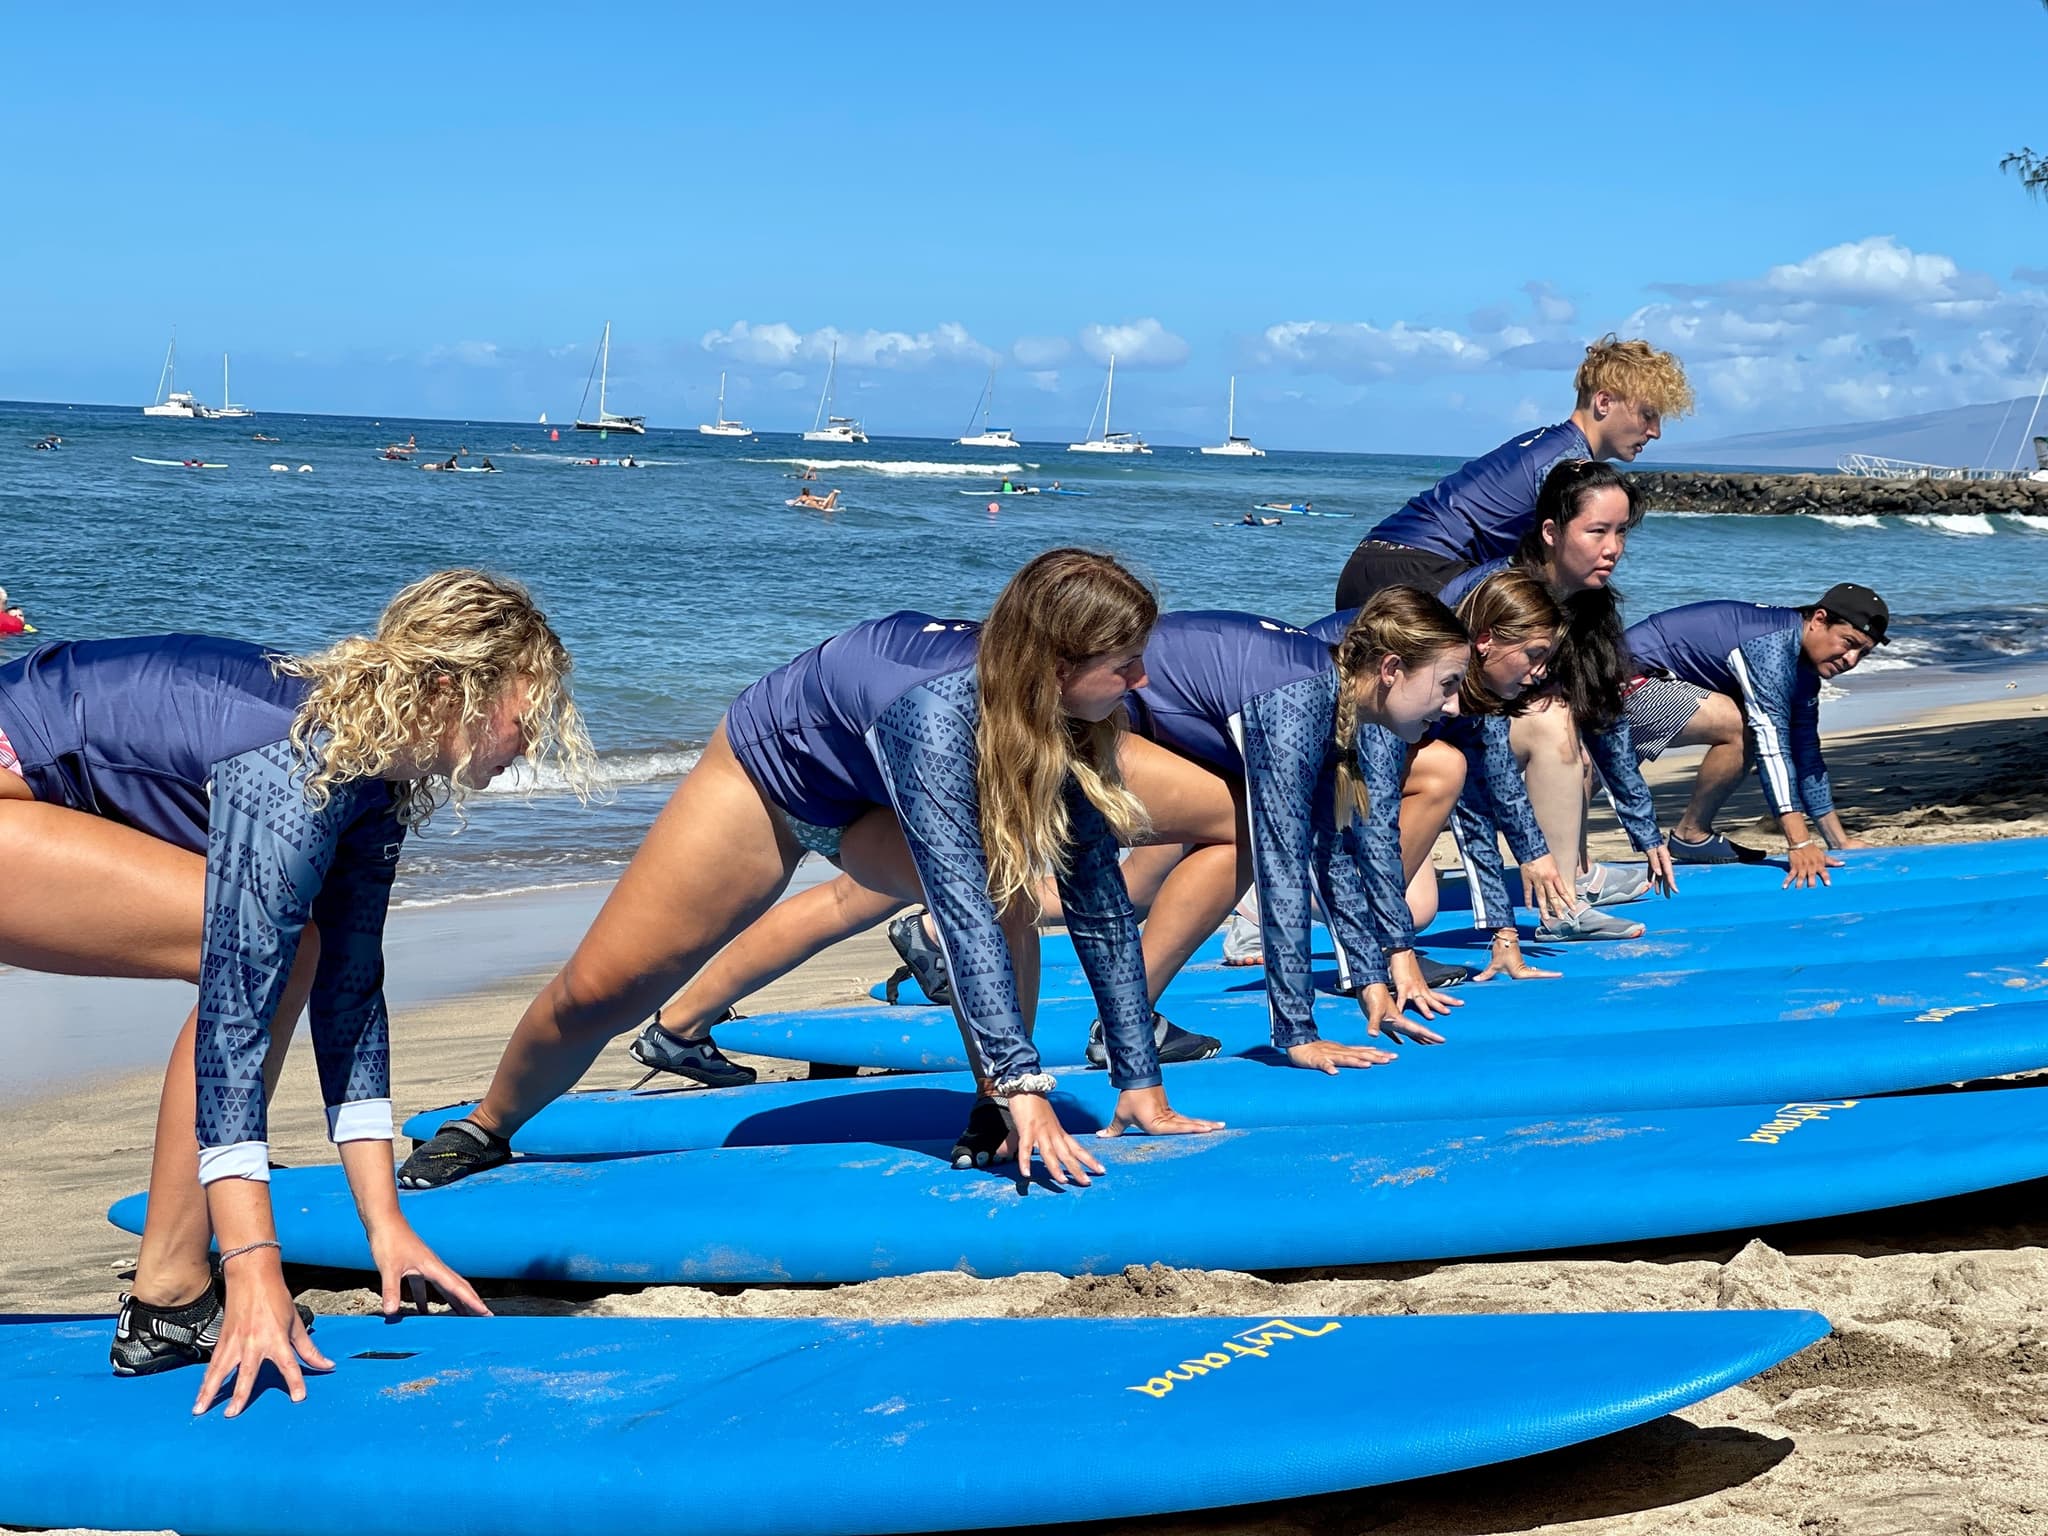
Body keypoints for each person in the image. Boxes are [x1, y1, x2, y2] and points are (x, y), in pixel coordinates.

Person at [399, 550, 1220, 1191]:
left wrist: (1138, 1082)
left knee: (1007, 890)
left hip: (873, 802)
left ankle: (989, 1105)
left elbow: (1099, 899)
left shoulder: (1075, 714)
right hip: (769, 782)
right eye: (1125, 664)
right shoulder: (934, 713)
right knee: (605, 992)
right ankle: (487, 1125)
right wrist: (1027, 1084)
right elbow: (953, 900)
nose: (1142, 681)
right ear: (1055, 663)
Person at [0, 571, 593, 1413]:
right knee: (259, 965)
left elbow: (352, 995)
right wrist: (254, 1269)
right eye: (524, 715)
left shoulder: (370, 774)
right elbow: (236, 1024)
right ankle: (180, 1288)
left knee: (300, 955)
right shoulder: (287, 766)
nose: (530, 743)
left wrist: (384, 1223)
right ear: (449, 688)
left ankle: (169, 1295)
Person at [1420, 460, 1675, 936]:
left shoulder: (1591, 604)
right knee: (1415, 910)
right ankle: (1258, 909)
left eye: (1622, 532)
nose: (1613, 548)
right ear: (1552, 532)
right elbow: (1480, 738)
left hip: (1472, 750)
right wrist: (1511, 895)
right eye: (1597, 531)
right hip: (1425, 755)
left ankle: (1567, 895)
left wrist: (1645, 830)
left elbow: (1606, 720)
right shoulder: (1497, 596)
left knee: (1571, 732)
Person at [1311, 569, 1575, 977]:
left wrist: (1504, 931)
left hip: (1343, 777)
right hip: (1302, 770)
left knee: (1417, 911)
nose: (1541, 673)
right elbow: (1374, 819)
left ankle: (1303, 898)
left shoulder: (1471, 689)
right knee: (1444, 767)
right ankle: (1265, 893)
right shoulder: (1416, 678)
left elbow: (1486, 799)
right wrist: (1389, 958)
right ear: (1486, 641)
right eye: (1534, 655)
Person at [1335, 336, 1692, 609]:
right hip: (1413, 575)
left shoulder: (1547, 443)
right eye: (1648, 414)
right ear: (1603, 402)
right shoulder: (1567, 464)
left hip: (1370, 564)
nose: (1656, 431)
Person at [1622, 586, 1889, 886]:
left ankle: (1690, 836)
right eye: (1849, 643)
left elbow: (1807, 757)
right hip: (1614, 682)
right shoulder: (1771, 646)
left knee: (1582, 778)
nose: (1851, 660)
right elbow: (1771, 744)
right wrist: (1799, 842)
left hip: (1651, 686)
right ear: (1818, 619)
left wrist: (1838, 841)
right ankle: (1691, 834)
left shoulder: (1803, 673)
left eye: (1863, 653)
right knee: (1746, 727)